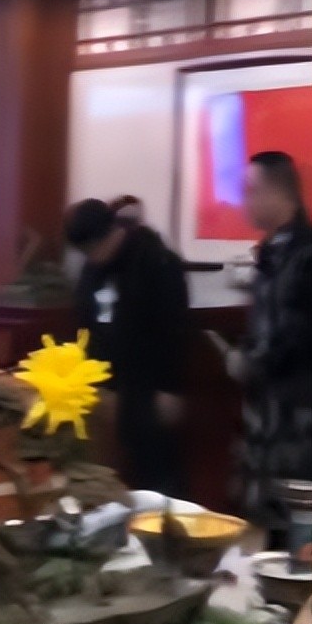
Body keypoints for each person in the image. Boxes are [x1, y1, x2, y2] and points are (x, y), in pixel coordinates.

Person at [65, 198, 190, 496]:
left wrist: (169, 388)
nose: (91, 258)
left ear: (110, 234)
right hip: (104, 387)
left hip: (147, 385)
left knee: (155, 473)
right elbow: (85, 322)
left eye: (92, 249)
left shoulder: (157, 261)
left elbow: (173, 328)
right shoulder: (93, 269)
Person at [229, 151, 312, 532]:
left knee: (298, 527)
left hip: (299, 420)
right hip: (264, 418)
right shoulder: (271, 253)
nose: (244, 200)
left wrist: (252, 362)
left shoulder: (306, 257)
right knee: (262, 522)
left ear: (280, 194)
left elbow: (300, 336)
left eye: (251, 190)